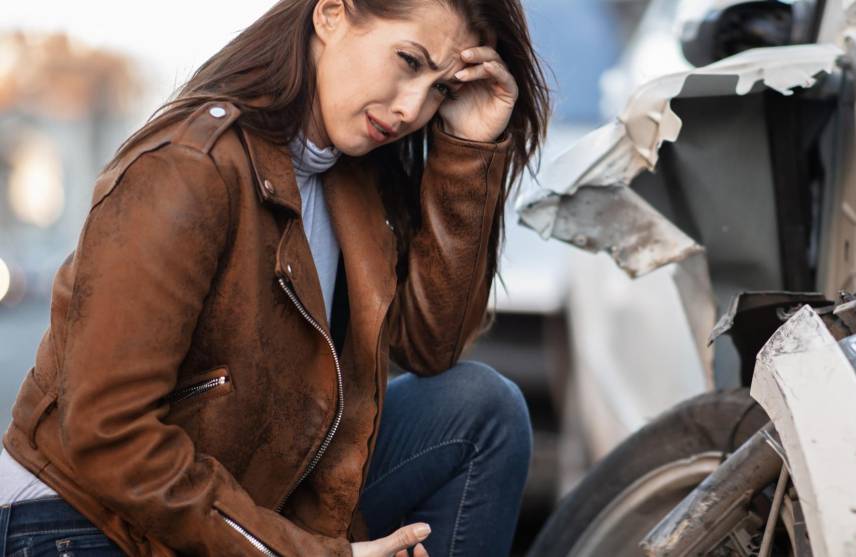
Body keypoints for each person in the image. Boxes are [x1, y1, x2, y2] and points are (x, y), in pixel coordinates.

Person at [0, 0, 550, 555]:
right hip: (77, 523)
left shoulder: (353, 179)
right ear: (332, 14)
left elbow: (432, 348)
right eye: (409, 61)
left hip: (241, 495)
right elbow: (108, 436)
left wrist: (469, 150)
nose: (412, 109)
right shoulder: (189, 167)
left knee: (480, 411)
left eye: (441, 91)